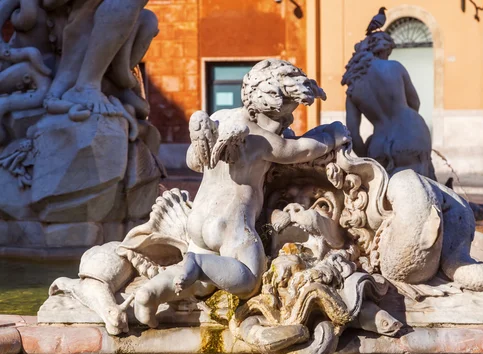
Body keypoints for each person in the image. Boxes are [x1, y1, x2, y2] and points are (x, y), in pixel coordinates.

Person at [133, 59, 350, 327]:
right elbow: (303, 150)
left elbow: (194, 161)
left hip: (198, 219)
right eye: (286, 116)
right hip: (230, 225)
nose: (290, 121)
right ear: (273, 110)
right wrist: (333, 135)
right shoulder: (264, 140)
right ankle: (198, 264)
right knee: (247, 278)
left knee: (203, 285)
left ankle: (150, 293)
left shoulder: (220, 117)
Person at [342, 31, 436, 180]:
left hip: (379, 143)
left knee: (384, 195)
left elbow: (353, 134)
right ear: (381, 50)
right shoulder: (395, 67)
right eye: (387, 53)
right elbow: (415, 102)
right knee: (423, 186)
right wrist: (406, 124)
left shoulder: (352, 88)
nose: (387, 57)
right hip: (410, 133)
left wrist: (367, 156)